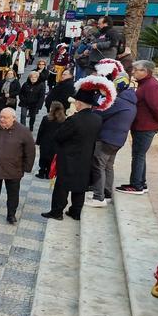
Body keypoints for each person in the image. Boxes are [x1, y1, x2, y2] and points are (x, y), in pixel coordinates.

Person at [42, 76, 107, 220]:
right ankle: (76, 211)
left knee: (62, 186)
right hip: (86, 156)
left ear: (79, 103)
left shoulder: (74, 120)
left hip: (69, 156)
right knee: (80, 186)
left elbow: (59, 136)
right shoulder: (97, 119)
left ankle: (57, 212)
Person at [86, 75, 136, 206]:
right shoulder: (131, 101)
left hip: (106, 139)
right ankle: (107, 193)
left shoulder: (118, 101)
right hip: (118, 140)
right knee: (108, 166)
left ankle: (98, 197)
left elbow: (100, 113)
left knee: (98, 166)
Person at [116, 60, 158, 195]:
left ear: (145, 72)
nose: (133, 72)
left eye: (136, 70)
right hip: (141, 125)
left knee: (138, 155)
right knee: (140, 155)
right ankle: (141, 182)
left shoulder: (151, 86)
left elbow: (157, 107)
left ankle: (136, 185)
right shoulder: (145, 83)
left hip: (145, 126)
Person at [35, 101, 67, 179]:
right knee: (52, 158)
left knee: (43, 157)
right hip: (56, 143)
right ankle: (49, 172)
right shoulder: (63, 120)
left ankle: (42, 172)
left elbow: (41, 131)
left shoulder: (46, 118)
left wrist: (38, 141)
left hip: (45, 141)